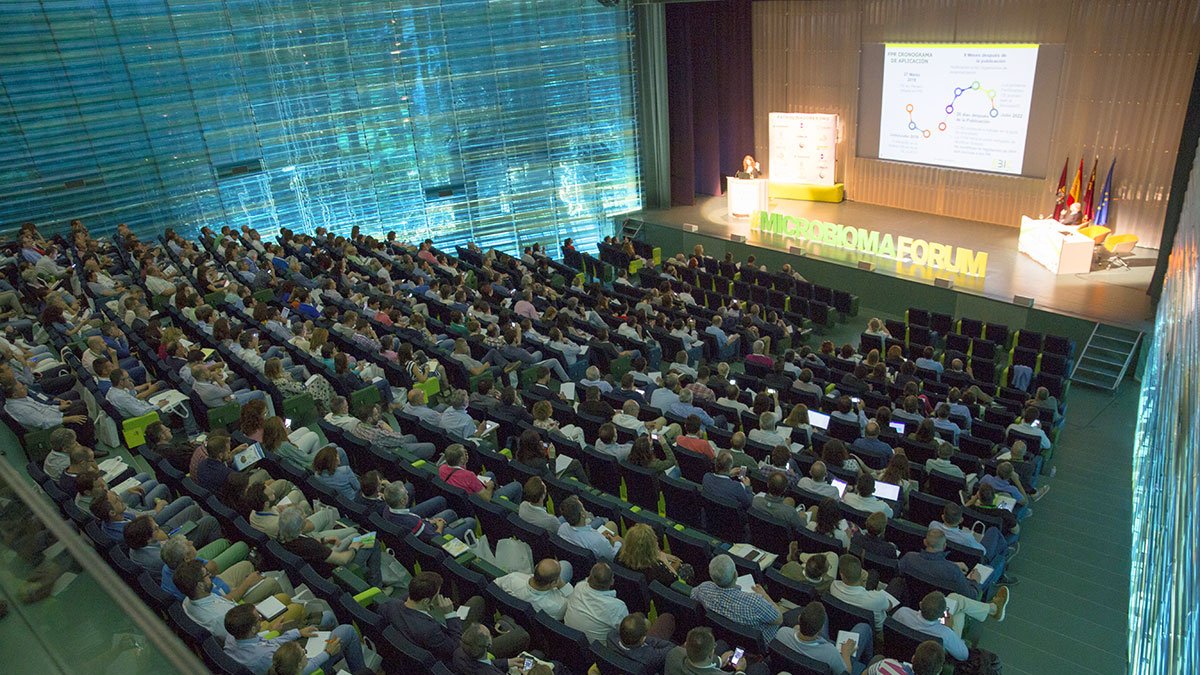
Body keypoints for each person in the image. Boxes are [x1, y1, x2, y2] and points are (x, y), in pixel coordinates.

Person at [380, 570, 528, 662]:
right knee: (522, 635)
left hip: (439, 633)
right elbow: (456, 647)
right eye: (437, 594)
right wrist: (449, 614)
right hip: (461, 653)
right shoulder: (429, 631)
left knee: (477, 601)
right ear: (425, 601)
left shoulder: (389, 605)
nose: (439, 596)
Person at [222, 603, 365, 675]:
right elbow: (299, 670)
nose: (261, 618)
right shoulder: (263, 657)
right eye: (258, 618)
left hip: (290, 654)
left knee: (326, 616)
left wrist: (298, 632)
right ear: (253, 629)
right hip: (302, 667)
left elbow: (269, 642)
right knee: (348, 631)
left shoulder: (233, 636)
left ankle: (344, 652)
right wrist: (327, 653)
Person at [892, 590, 1009, 662]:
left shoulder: (902, 612)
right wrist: (950, 628)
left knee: (954, 598)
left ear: (920, 604)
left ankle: (992, 609)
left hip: (905, 647)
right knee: (960, 612)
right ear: (942, 615)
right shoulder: (946, 634)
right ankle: (992, 609)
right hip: (933, 653)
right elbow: (963, 655)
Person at [690, 555, 784, 644]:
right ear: (735, 574)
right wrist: (765, 595)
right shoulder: (755, 602)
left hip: (729, 638)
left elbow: (693, 596)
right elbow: (779, 619)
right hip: (763, 640)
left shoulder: (703, 589)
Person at [772, 601, 871, 675]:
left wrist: (795, 629)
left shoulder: (782, 632)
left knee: (824, 615)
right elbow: (846, 673)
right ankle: (867, 663)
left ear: (799, 618)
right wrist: (846, 654)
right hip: (834, 657)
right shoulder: (831, 653)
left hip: (793, 667)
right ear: (820, 629)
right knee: (864, 627)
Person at [381, 480, 476, 541]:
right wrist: (440, 526)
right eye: (406, 493)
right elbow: (435, 539)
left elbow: (418, 521)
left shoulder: (387, 510)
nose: (407, 493)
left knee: (450, 513)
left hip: (425, 526)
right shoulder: (412, 522)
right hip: (434, 536)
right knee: (471, 521)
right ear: (402, 501)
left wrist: (430, 520)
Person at [830, 554, 901, 631]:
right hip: (878, 629)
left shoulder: (833, 586)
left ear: (841, 575)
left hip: (850, 623)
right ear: (861, 574)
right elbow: (890, 606)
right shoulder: (877, 598)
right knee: (897, 582)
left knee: (873, 573)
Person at [437, 443, 523, 502]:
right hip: (479, 501)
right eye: (465, 453)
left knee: (490, 474)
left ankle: (498, 491)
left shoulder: (442, 468)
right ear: (461, 459)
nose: (467, 454)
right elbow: (486, 498)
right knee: (517, 485)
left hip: (462, 494)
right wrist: (490, 487)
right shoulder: (469, 476)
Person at [493, 559, 574, 621]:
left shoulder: (513, 578)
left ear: (535, 568)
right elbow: (573, 604)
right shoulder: (557, 605)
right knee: (565, 565)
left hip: (511, 614)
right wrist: (561, 584)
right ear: (553, 583)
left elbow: (495, 584)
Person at [664, 626, 765, 675]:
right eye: (714, 646)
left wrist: (719, 661)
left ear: (686, 645)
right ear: (711, 652)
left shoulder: (673, 654)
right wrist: (740, 670)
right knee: (759, 669)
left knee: (722, 644)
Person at [616, 523, 689, 586]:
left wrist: (659, 554)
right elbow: (674, 580)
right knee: (687, 568)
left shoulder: (619, 557)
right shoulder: (655, 569)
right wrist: (664, 560)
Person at [557, 496, 621, 562]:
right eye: (583, 507)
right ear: (582, 514)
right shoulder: (598, 541)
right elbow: (611, 557)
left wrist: (600, 536)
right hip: (603, 560)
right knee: (614, 528)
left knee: (610, 525)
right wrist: (618, 543)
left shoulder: (562, 528)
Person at [609, 612, 676, 674]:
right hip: (648, 663)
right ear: (642, 638)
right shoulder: (652, 656)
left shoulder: (611, 637)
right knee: (667, 617)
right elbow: (671, 647)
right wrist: (647, 639)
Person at [864, 641, 946, 675]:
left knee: (878, 657)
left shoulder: (885, 664)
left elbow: (864, 673)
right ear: (939, 671)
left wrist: (892, 664)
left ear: (913, 658)